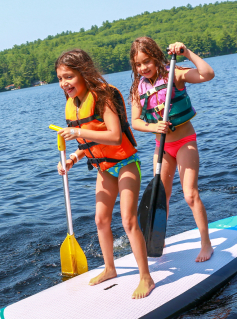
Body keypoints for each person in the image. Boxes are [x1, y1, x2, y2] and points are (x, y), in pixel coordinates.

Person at [55, 49, 155, 299]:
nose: (64, 83)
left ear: (84, 73)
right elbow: (87, 141)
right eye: (60, 78)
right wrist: (73, 158)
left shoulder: (103, 97)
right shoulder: (73, 104)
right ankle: (110, 268)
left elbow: (114, 135)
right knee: (101, 220)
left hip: (126, 163)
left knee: (128, 220)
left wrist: (78, 134)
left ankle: (146, 277)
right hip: (104, 167)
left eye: (68, 76)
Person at [130, 37, 215, 263]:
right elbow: (135, 121)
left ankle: (206, 242)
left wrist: (187, 52)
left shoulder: (174, 75)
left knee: (189, 194)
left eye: (147, 61)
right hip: (162, 146)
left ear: (157, 57)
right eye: (138, 64)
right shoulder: (138, 88)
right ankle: (159, 240)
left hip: (185, 140)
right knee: (161, 197)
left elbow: (207, 74)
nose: (143, 68)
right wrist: (152, 127)